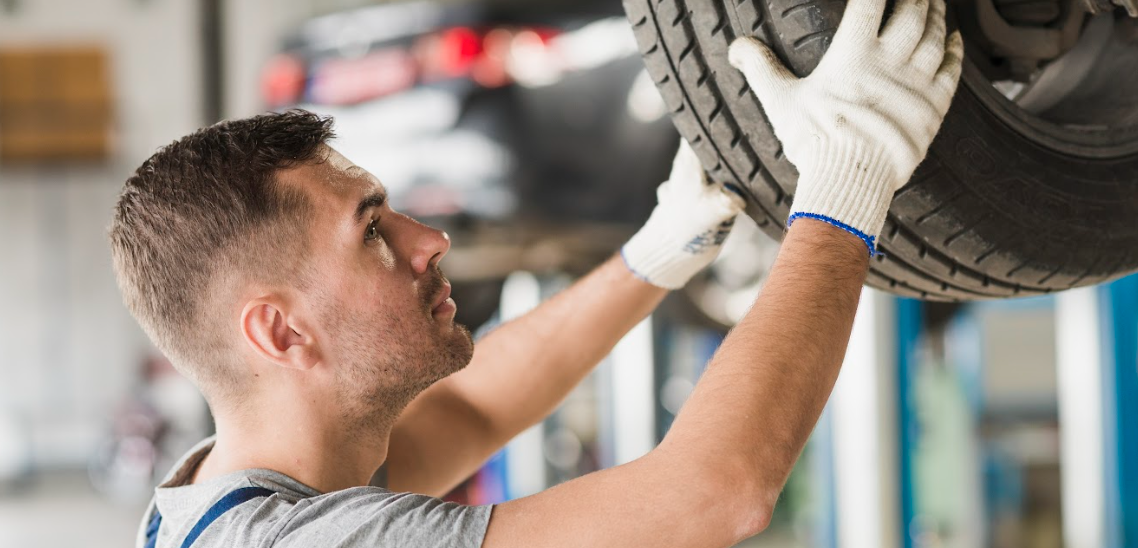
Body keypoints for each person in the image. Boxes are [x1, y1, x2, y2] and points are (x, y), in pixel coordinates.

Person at [110, 0, 962, 546]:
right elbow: (714, 494)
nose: (430, 237)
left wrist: (654, 253)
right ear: (280, 331)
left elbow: (474, 408)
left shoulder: (230, 503)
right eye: (372, 232)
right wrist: (846, 184)